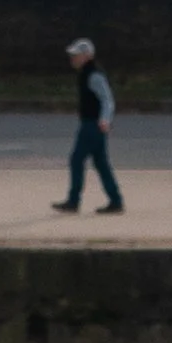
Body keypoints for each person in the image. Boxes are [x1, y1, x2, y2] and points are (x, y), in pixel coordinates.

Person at [53, 37, 123, 215]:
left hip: (92, 125)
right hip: (92, 124)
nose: (73, 58)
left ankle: (73, 201)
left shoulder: (94, 75)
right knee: (101, 164)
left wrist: (105, 119)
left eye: (76, 55)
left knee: (76, 160)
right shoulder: (86, 74)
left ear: (87, 56)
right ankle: (115, 201)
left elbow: (107, 99)